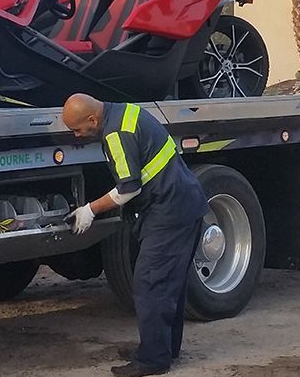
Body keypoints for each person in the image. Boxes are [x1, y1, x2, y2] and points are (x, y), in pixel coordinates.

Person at [62, 93, 208, 377]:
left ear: (93, 119)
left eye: (77, 129)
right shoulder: (125, 112)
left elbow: (129, 188)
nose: (77, 136)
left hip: (169, 211)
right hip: (183, 203)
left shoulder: (116, 133)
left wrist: (89, 210)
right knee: (168, 283)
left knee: (150, 283)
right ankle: (162, 349)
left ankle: (153, 359)